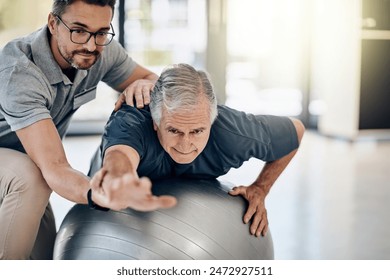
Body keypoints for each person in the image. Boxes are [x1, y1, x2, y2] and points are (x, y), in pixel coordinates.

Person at [0, 0, 175, 260]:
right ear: (53, 24)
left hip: (30, 161)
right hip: (23, 167)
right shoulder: (20, 74)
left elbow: (154, 81)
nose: (91, 45)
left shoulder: (102, 51)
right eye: (79, 31)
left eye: (101, 32)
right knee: (32, 178)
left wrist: (143, 85)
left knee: (45, 257)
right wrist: (100, 194)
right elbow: (56, 167)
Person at [89, 63, 305, 239]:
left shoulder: (232, 132)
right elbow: (120, 156)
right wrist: (119, 177)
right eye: (173, 130)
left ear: (212, 121)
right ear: (155, 122)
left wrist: (260, 188)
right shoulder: (132, 122)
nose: (185, 145)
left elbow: (296, 131)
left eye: (197, 131)